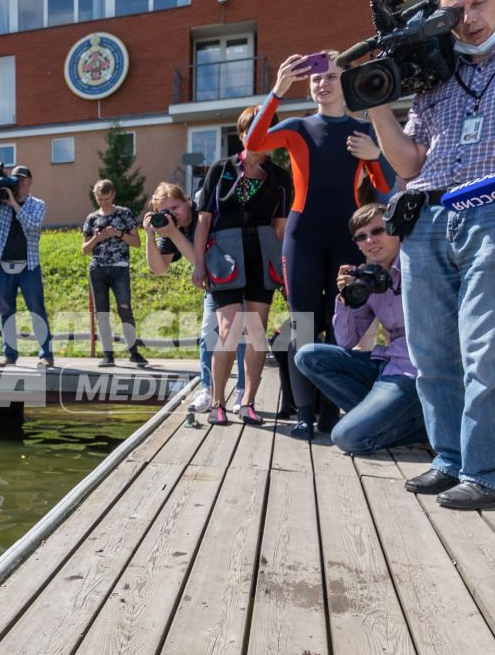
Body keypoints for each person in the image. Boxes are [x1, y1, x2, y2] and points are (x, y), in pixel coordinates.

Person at [367, 0, 495, 510]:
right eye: (455, 11)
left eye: (479, 4)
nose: (469, 19)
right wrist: (376, 104)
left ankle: (490, 473)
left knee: (488, 349)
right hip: (427, 214)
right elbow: (410, 161)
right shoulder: (435, 77)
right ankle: (449, 460)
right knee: (431, 353)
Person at [258, 57, 391, 440]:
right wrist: (278, 89)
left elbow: (384, 187)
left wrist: (374, 155)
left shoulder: (362, 130)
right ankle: (303, 414)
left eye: (331, 77)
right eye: (316, 78)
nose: (323, 84)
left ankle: (329, 413)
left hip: (346, 234)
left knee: (340, 322)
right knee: (302, 322)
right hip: (304, 235)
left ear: (344, 82)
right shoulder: (298, 127)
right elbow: (254, 142)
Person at [151, 91, 291, 426]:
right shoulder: (221, 169)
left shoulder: (281, 177)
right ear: (243, 135)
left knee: (255, 331)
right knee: (228, 328)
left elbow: (281, 227)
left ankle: (248, 401)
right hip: (224, 254)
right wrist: (199, 263)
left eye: (267, 130)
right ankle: (217, 401)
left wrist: (285, 271)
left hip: (262, 251)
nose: (259, 137)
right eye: (252, 130)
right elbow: (203, 221)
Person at [292, 203, 423, 455]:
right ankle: (391, 420)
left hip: (416, 374)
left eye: (378, 231)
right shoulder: (368, 279)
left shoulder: (419, 265)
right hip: (386, 365)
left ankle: (426, 428)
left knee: (346, 437)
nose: (370, 240)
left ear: (395, 230)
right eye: (361, 237)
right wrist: (346, 298)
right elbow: (346, 342)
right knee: (308, 356)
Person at [145, 182, 247, 411]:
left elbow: (201, 261)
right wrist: (150, 237)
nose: (171, 215)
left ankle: (242, 391)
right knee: (207, 337)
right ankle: (207, 390)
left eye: (175, 207)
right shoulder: (172, 227)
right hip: (215, 286)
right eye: (165, 211)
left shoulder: (204, 213)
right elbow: (159, 268)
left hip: (235, 278)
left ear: (187, 201)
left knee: (238, 336)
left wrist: (172, 232)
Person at [0, 165, 53, 368]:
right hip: (3, 266)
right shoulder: (1, 203)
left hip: (28, 266)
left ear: (30, 182)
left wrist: (13, 203)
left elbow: (32, 225)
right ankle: (10, 355)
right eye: (16, 179)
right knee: (6, 311)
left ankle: (46, 354)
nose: (20, 182)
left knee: (36, 309)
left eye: (23, 179)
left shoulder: (37, 204)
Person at [81, 180, 149, 368]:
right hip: (98, 269)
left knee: (125, 308)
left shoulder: (124, 213)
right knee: (101, 312)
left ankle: (133, 352)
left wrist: (118, 234)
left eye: (107, 199)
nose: (103, 203)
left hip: (120, 268)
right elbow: (84, 249)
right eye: (100, 199)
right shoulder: (92, 218)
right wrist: (97, 237)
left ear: (113, 195)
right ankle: (108, 354)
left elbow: (136, 242)